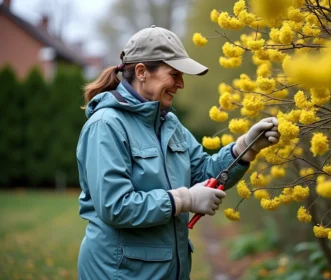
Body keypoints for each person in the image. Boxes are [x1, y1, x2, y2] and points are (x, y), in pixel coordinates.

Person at [76, 25, 280, 280]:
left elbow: (203, 172)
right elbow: (115, 206)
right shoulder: (106, 125)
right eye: (174, 74)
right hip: (120, 273)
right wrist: (184, 200)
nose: (181, 84)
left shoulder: (169, 124)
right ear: (141, 72)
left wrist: (243, 149)